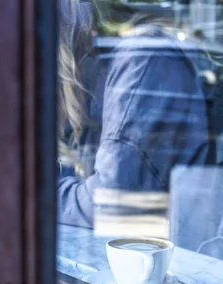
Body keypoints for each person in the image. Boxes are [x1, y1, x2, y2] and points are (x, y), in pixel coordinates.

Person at [58, 0, 211, 227]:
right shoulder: (103, 75)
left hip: (178, 253)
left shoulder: (142, 58)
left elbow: (112, 203)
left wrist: (35, 192)